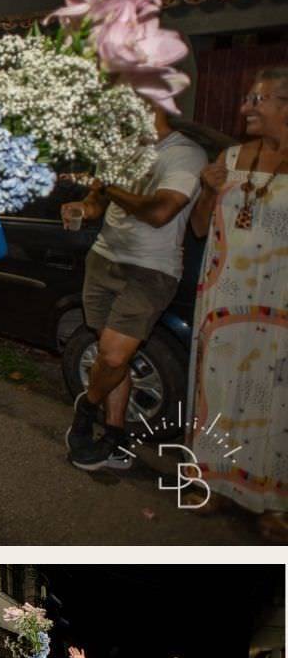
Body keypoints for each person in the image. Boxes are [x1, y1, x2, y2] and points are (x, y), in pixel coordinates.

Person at [63, 103, 207, 470]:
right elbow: (96, 204)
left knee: (111, 356)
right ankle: (114, 437)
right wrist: (80, 209)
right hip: (103, 259)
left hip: (151, 270)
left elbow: (160, 213)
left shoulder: (185, 154)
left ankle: (87, 405)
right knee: (115, 358)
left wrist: (111, 187)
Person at [188, 66, 288, 541]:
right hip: (225, 300)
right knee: (221, 394)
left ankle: (272, 501)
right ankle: (215, 483)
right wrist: (208, 191)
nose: (246, 107)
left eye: (259, 99)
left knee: (277, 403)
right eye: (247, 97)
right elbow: (199, 228)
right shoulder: (227, 159)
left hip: (281, 302)